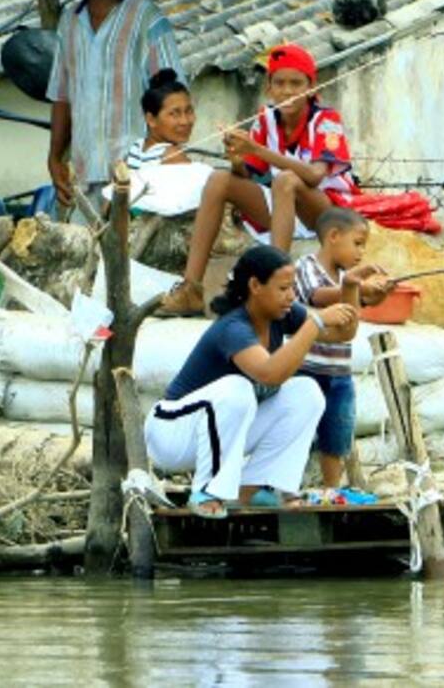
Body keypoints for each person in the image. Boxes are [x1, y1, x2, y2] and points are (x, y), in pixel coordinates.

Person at [144, 245, 359, 518]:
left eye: (293, 288)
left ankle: (254, 487)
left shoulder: (281, 314)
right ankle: (208, 491)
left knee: (306, 392)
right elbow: (270, 373)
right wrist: (314, 322)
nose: (291, 296)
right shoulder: (233, 328)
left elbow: (342, 333)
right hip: (171, 435)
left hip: (211, 432)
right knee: (238, 387)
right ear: (255, 285)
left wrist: (350, 288)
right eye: (283, 289)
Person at [157, 43, 358, 316]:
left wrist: (257, 149)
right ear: (269, 88)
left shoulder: (325, 119)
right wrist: (238, 158)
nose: (287, 91)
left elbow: (313, 175)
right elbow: (247, 175)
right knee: (219, 179)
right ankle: (191, 288)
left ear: (312, 86)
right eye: (280, 84)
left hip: (324, 212)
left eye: (296, 84)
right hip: (283, 206)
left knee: (287, 179)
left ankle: (275, 284)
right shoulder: (266, 120)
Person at [46, 0, 185, 209]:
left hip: (135, 177)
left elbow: (173, 99)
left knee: (130, 251)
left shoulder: (146, 19)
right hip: (81, 176)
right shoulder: (69, 21)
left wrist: (160, 161)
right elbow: (61, 95)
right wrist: (54, 157)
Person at [293, 207, 392, 489]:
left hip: (339, 371)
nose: (361, 253)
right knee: (298, 430)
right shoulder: (306, 266)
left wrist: (375, 294)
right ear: (334, 236)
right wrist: (356, 288)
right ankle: (288, 486)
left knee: (336, 434)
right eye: (357, 243)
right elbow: (320, 296)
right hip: (307, 369)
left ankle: (331, 490)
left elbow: (355, 308)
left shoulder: (345, 277)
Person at [126, 68, 194, 168]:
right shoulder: (174, 156)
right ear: (151, 120)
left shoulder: (137, 147)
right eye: (174, 114)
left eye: (189, 111)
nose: (185, 121)